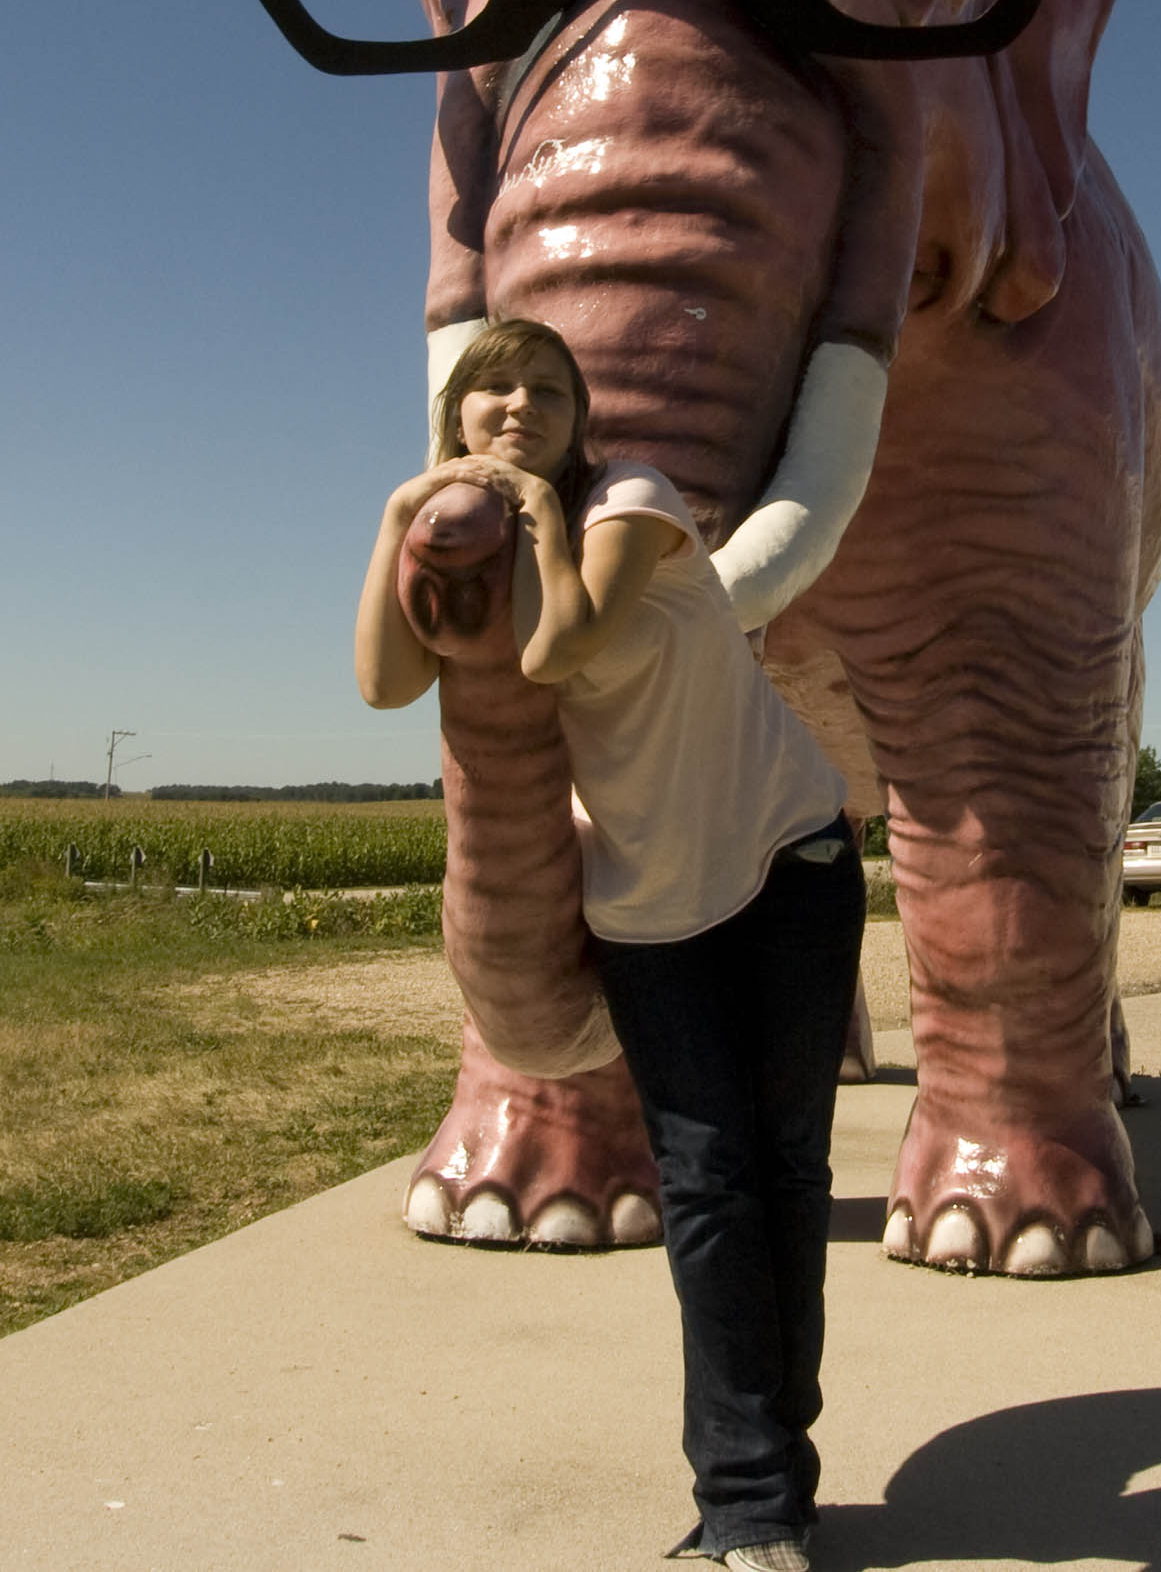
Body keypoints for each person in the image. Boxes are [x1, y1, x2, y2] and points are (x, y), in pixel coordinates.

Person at [355, 317, 866, 1572]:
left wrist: (535, 504)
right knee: (705, 1179)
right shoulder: (452, 534)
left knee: (785, 1170)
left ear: (580, 417)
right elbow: (382, 683)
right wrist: (390, 523)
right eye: (492, 390)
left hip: (787, 857)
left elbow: (558, 644)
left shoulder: (627, 499)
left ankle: (763, 1484)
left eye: (543, 389)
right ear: (455, 414)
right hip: (643, 899)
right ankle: (748, 1501)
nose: (517, 404)